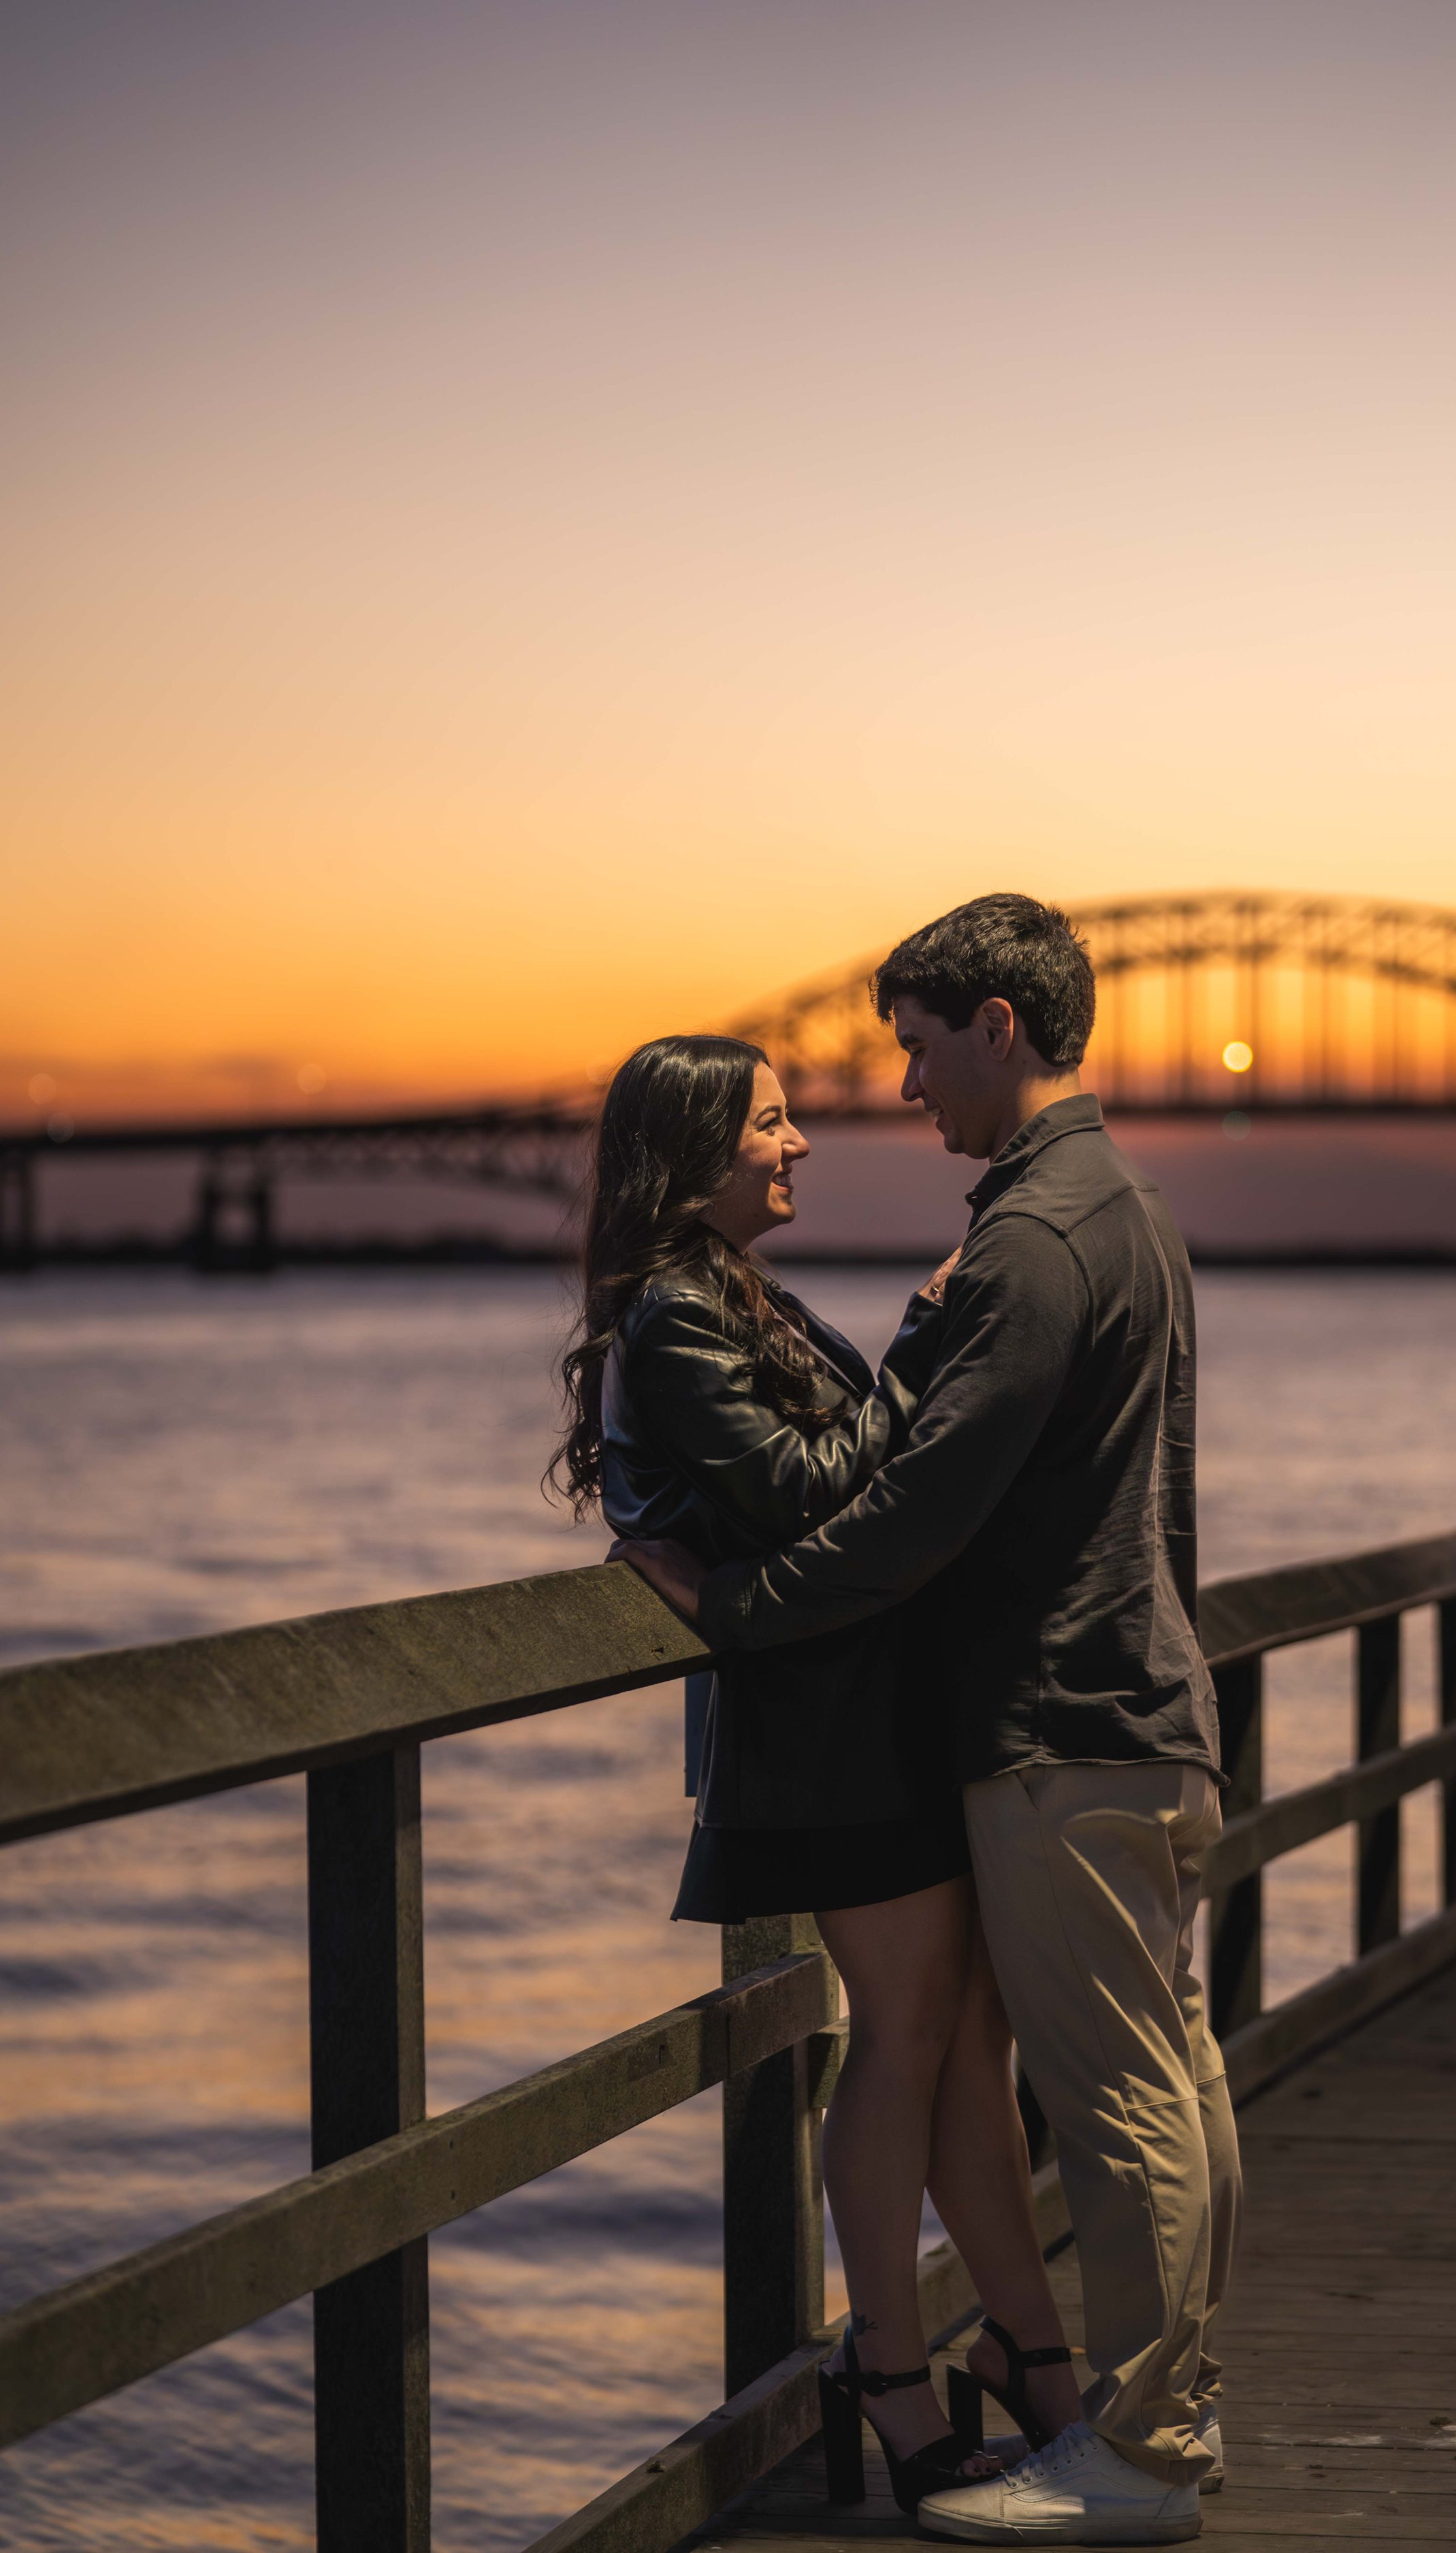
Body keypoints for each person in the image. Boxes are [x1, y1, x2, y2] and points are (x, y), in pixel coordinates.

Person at [614, 899, 1240, 2550]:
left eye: (911, 1043)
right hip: (1123, 1709)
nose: (892, 1088)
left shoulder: (1034, 1242)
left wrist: (734, 1611)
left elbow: (903, 1511)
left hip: (1059, 1720)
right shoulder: (1119, 1210)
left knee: (1117, 2098)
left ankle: (1143, 2447)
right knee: (1161, 2077)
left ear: (997, 1029)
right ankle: (1101, 2406)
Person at [553, 1032, 1082, 2517]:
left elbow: (837, 1483)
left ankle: (1031, 2357)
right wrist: (919, 1344)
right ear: (698, 1149)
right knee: (903, 2041)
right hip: (821, 1732)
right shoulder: (672, 1314)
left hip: (871, 1710)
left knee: (957, 2036)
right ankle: (899, 2382)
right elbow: (800, 1491)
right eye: (772, 1126)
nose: (797, 1147)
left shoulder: (727, 1292)